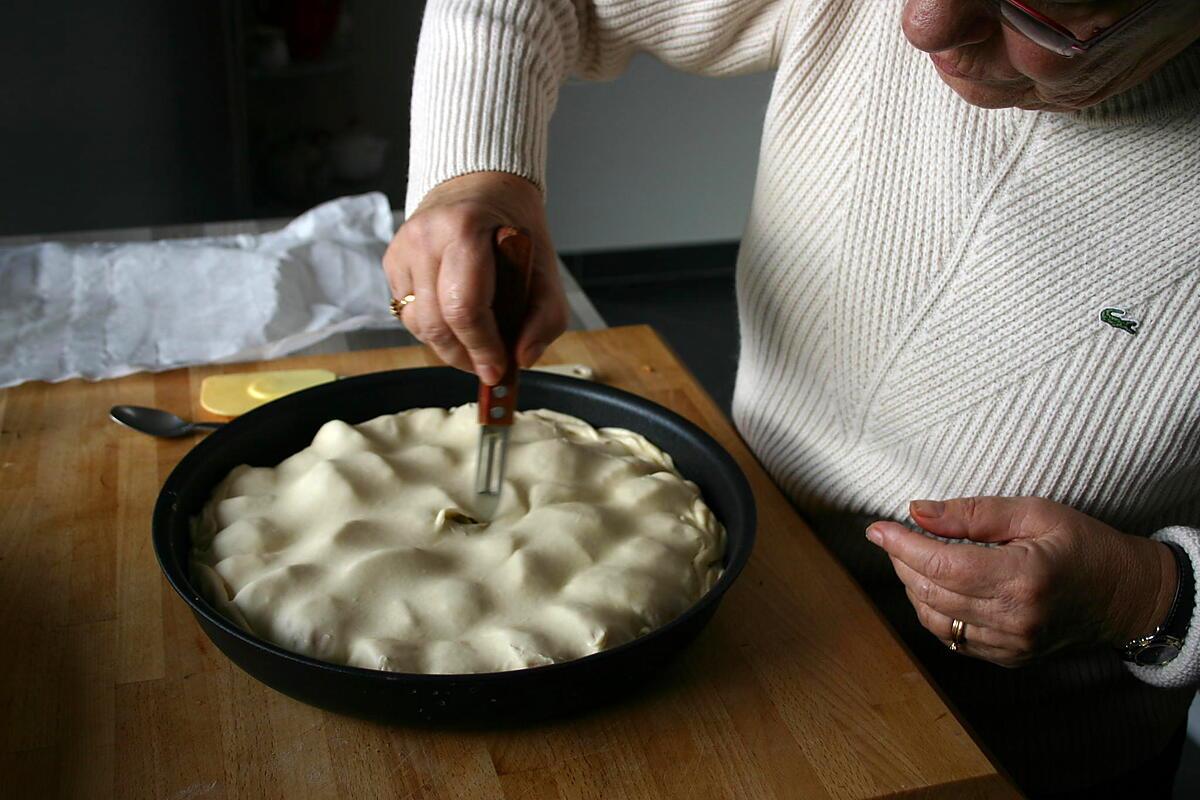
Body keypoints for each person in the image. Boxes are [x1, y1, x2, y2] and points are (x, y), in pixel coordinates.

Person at [383, 1, 1200, 795]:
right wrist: (477, 177)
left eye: (1038, 11)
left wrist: (1146, 594)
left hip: (1016, 755)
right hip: (740, 610)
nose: (922, 26)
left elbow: (1158, 599)